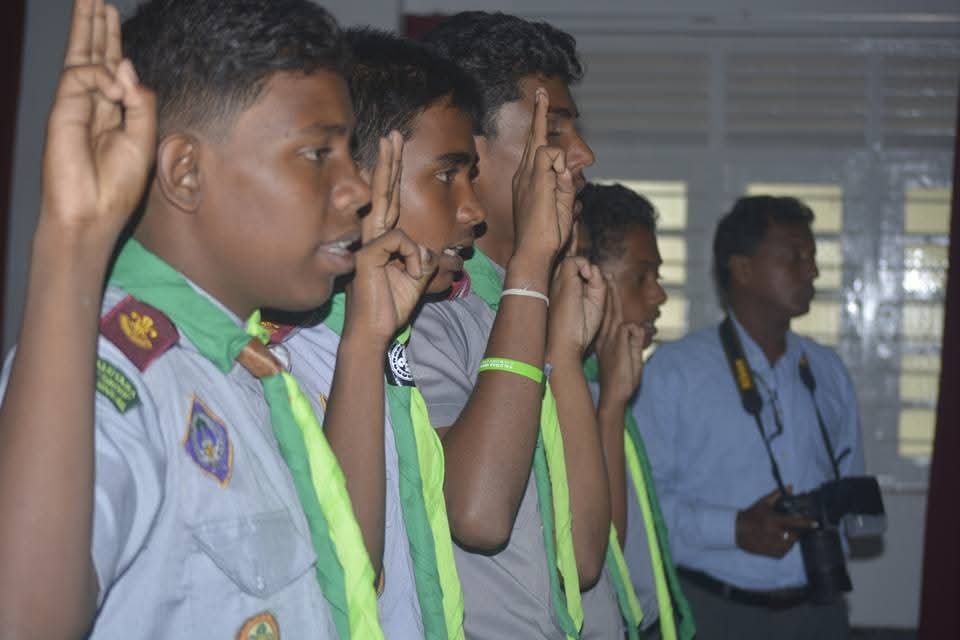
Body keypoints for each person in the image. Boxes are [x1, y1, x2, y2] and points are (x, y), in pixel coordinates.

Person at [0, 0, 434, 637]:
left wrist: (365, 339)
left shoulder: (249, 366)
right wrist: (73, 245)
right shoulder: (112, 374)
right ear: (185, 172)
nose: (357, 190)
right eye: (318, 154)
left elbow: (347, 572)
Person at [410, 12, 624, 638]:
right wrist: (533, 264)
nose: (582, 153)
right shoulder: (425, 310)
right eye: (553, 129)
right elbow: (477, 512)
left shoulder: (536, 300)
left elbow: (584, 558)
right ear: (470, 150)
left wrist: (557, 336)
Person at [265, 29, 485, 638]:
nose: (473, 210)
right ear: (361, 180)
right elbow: (343, 574)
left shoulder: (391, 343)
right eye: (447, 177)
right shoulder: (283, 357)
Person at [635, 195, 865, 640]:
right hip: (714, 610)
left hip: (818, 610)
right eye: (795, 256)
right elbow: (640, 508)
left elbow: (850, 487)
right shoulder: (675, 372)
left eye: (813, 256)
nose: (812, 270)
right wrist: (733, 528)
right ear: (741, 269)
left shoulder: (828, 370)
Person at [578, 183, 696, 640]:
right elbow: (605, 545)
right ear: (589, 278)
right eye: (641, 277)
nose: (658, 296)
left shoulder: (608, 379)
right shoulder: (568, 390)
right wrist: (611, 403)